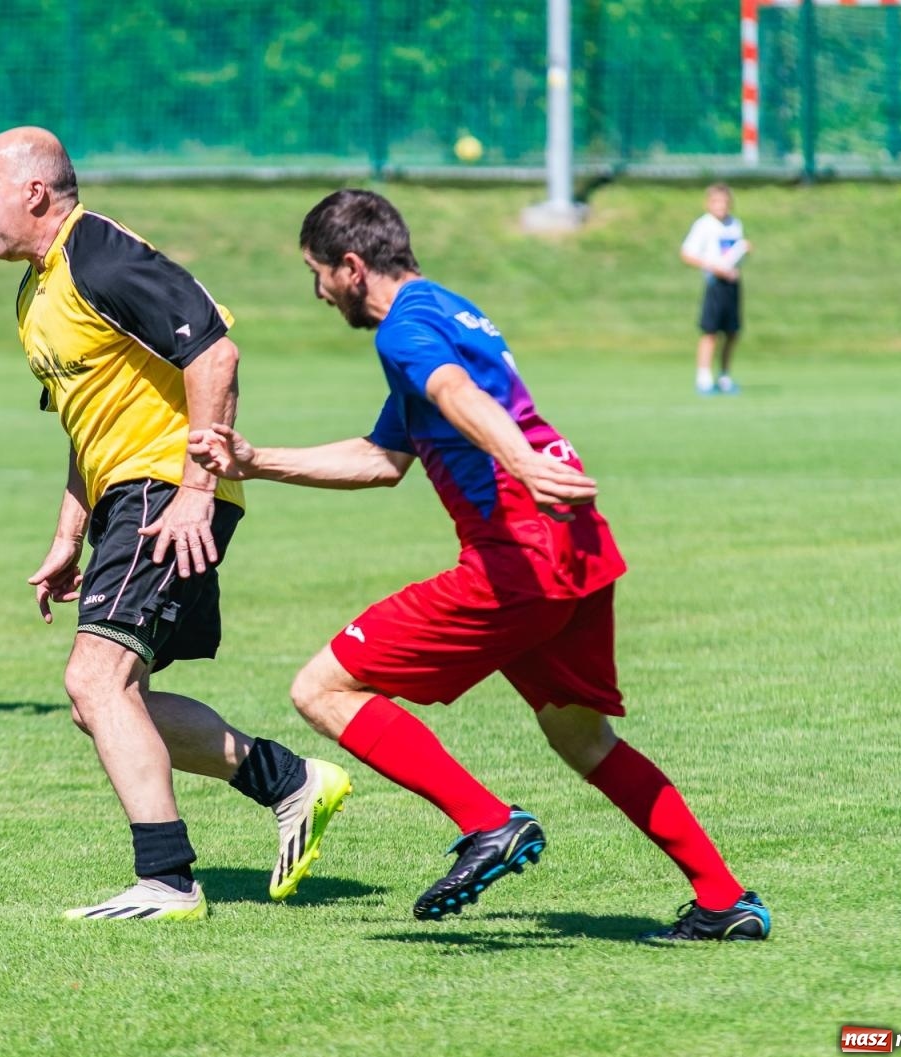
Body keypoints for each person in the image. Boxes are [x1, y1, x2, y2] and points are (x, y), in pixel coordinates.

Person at [189, 189, 769, 941]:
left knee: (321, 688)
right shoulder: (447, 309)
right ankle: (725, 900)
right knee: (582, 739)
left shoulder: (404, 331)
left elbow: (454, 391)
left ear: (352, 266)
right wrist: (257, 460)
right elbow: (382, 459)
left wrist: (520, 463)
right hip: (576, 546)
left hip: (519, 555)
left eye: (318, 274)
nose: (319, 292)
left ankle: (488, 821)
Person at [0, 127, 351, 921]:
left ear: (34, 192)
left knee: (95, 680)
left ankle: (168, 881)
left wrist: (195, 490)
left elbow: (216, 355)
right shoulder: (35, 292)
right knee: (103, 700)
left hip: (165, 489)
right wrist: (67, 536)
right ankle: (290, 781)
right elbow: (86, 422)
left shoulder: (98, 255)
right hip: (129, 496)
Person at [680, 183, 749, 395]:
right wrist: (714, 268)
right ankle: (704, 378)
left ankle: (725, 376)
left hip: (732, 282)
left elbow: (732, 254)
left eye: (725, 202)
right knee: (710, 331)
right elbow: (687, 254)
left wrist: (743, 253)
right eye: (716, 202)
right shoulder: (704, 225)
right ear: (708, 204)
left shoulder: (734, 224)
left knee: (732, 332)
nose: (721, 206)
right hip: (715, 283)